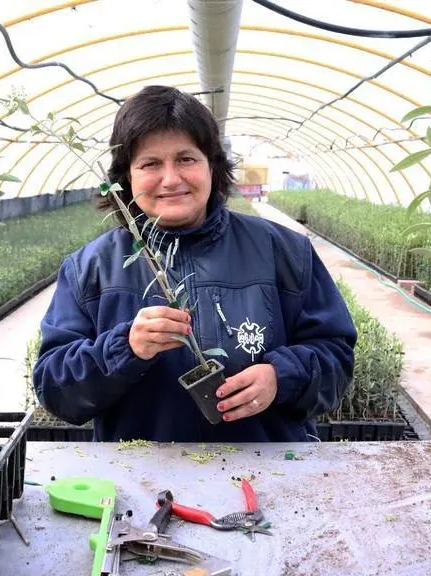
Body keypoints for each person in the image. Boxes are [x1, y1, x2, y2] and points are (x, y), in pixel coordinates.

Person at [31, 85, 357, 442]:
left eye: (186, 159)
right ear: (126, 179)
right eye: (150, 163)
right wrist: (125, 347)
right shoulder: (91, 267)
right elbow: (55, 389)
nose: (171, 179)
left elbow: (336, 360)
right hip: (139, 480)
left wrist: (282, 377)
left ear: (212, 166)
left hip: (269, 474)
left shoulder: (285, 251)